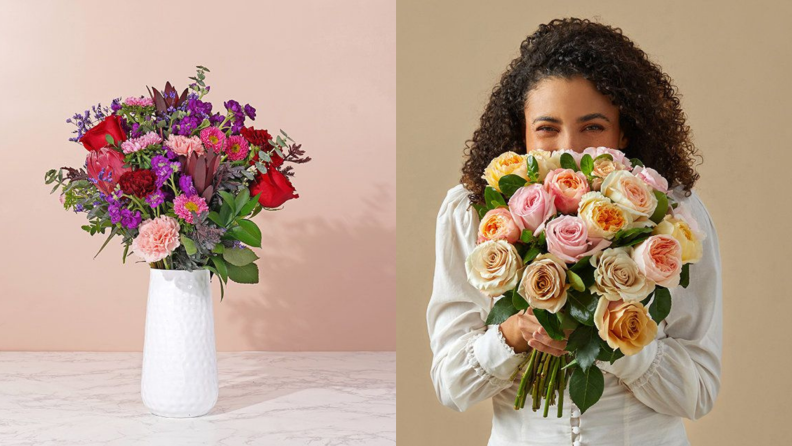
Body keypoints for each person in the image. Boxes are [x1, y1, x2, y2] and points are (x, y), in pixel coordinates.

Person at [426, 18, 722, 446]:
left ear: (624, 129)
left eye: (593, 126)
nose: (569, 149)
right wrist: (514, 335)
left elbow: (698, 394)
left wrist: (613, 335)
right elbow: (451, 386)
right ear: (521, 132)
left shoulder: (675, 214)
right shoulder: (470, 212)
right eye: (547, 128)